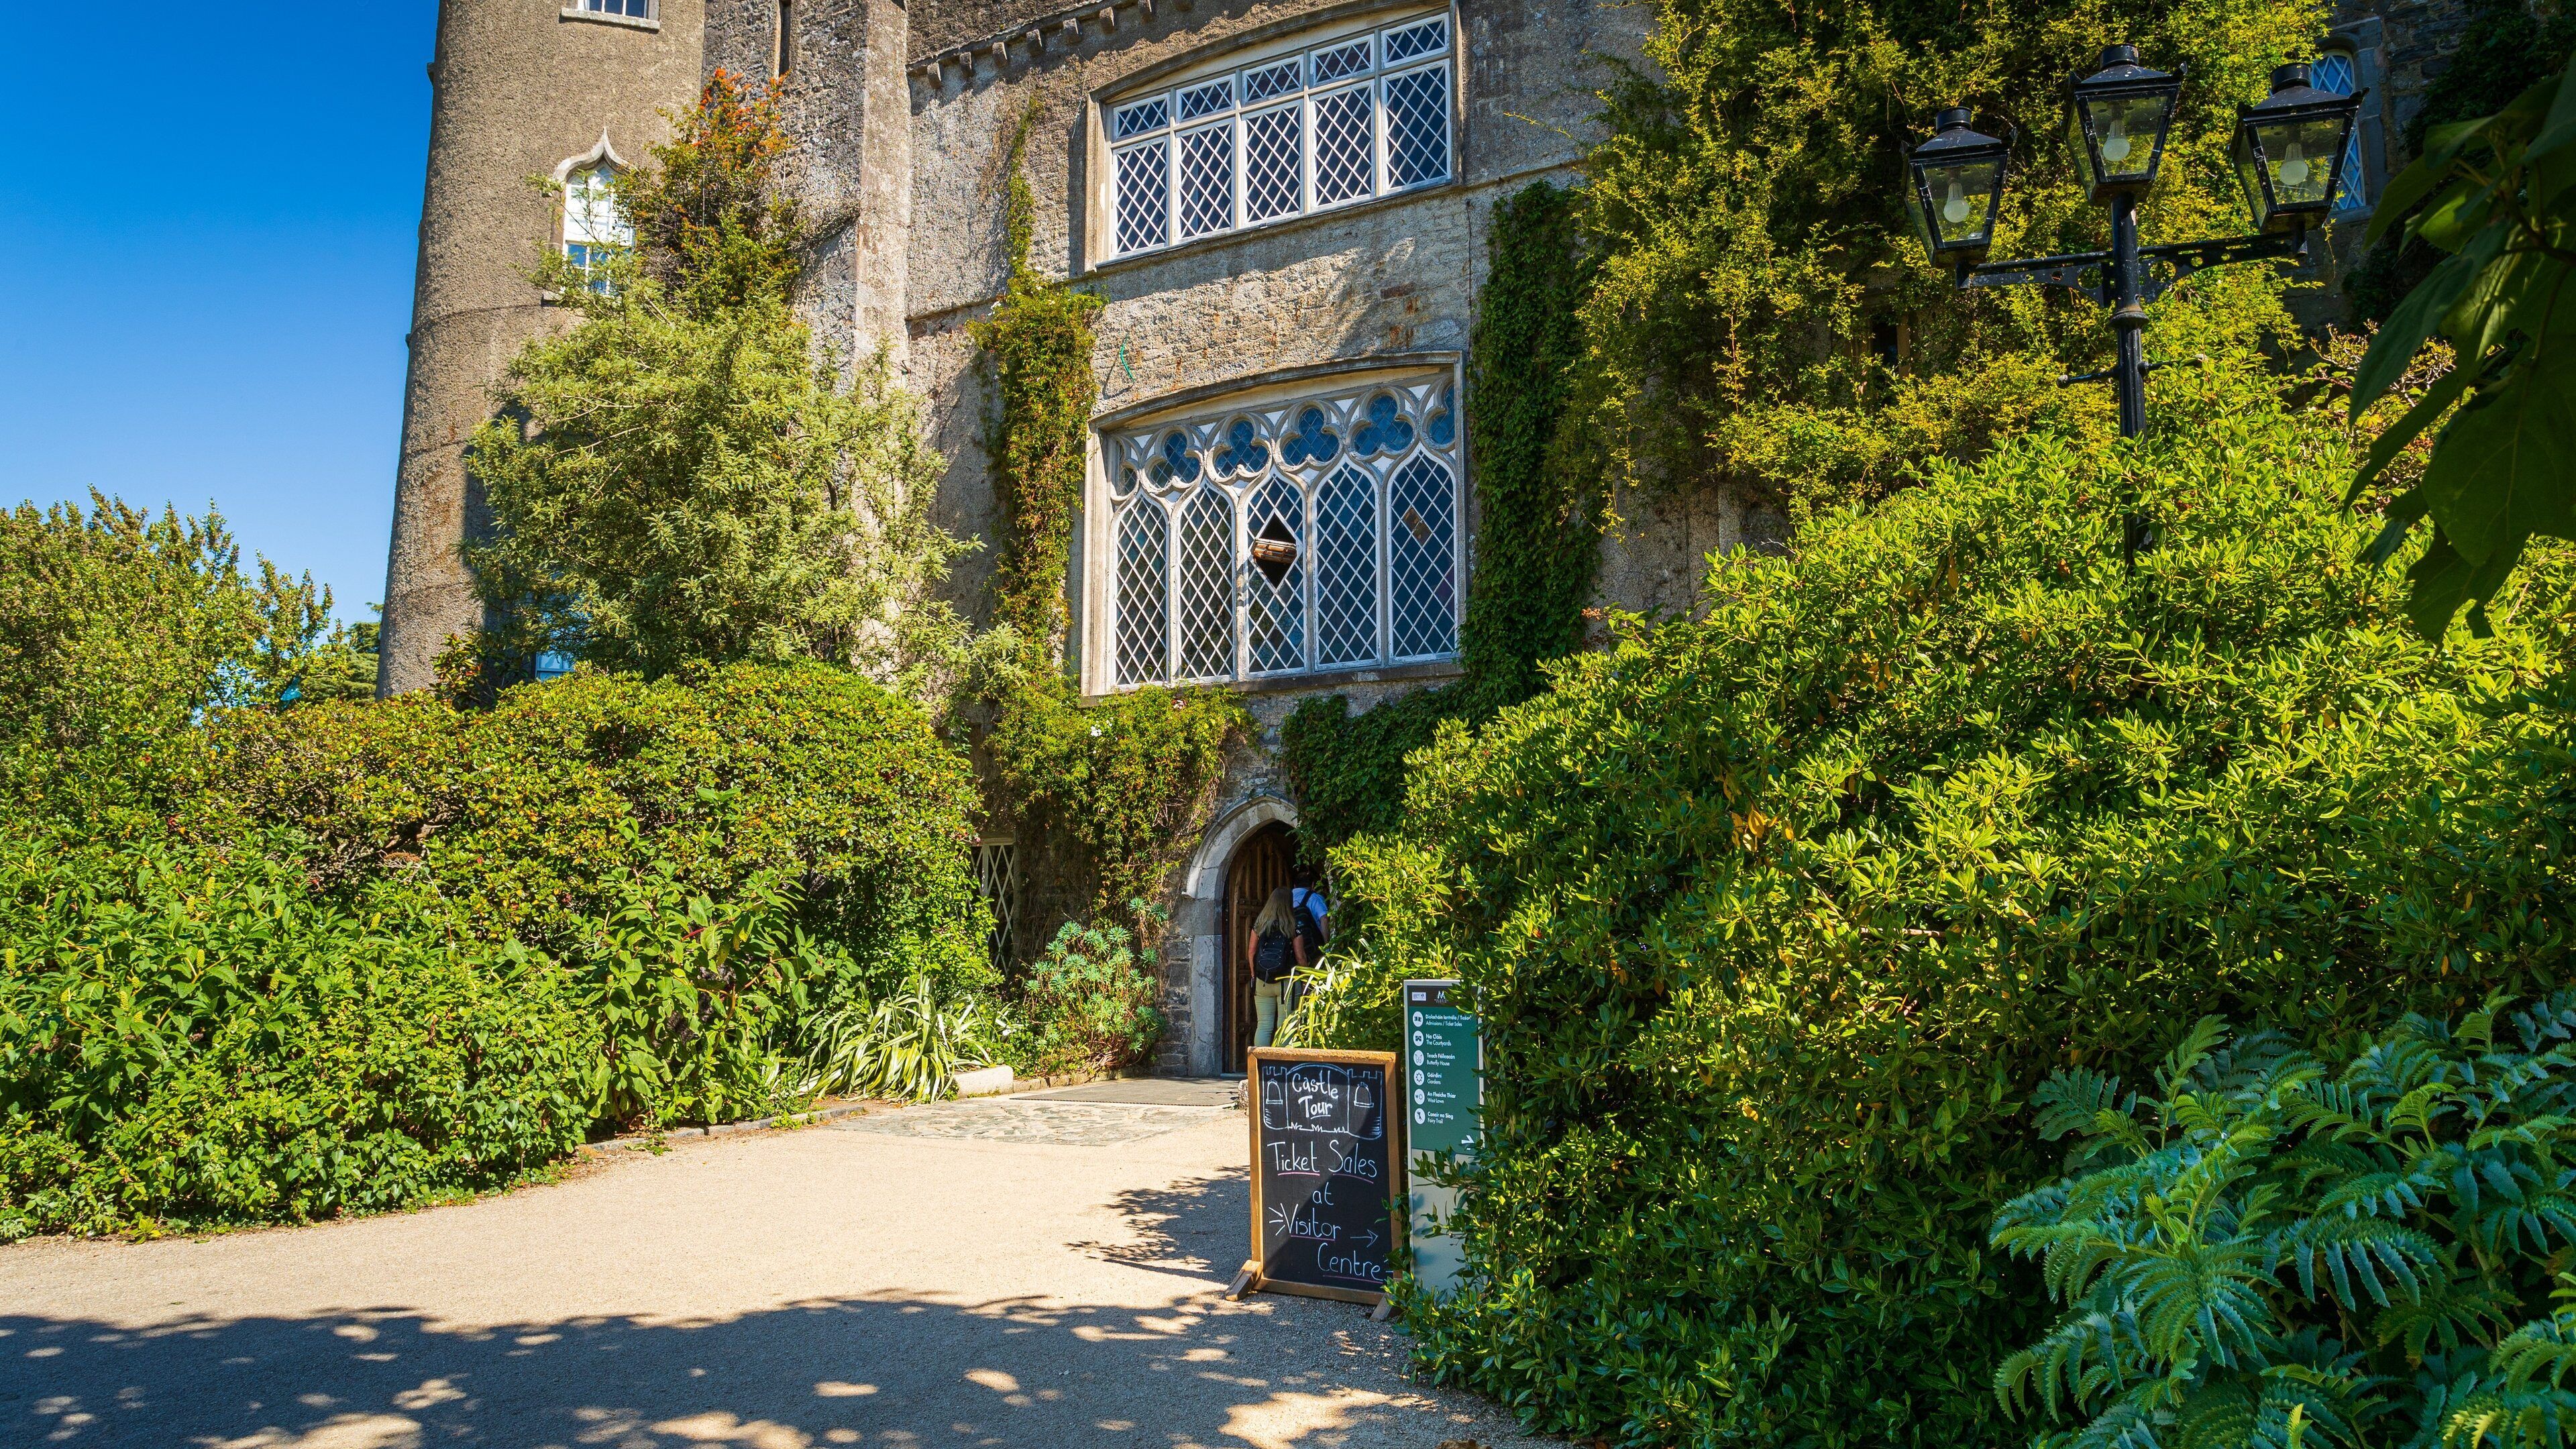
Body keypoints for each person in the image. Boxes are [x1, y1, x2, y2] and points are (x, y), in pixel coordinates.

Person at [1248, 885, 1307, 1050]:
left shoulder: (1260, 925)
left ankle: (1260, 1067)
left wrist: (1255, 974)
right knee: (1285, 1025)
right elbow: (1300, 957)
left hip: (1263, 981)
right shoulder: (1293, 925)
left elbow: (1251, 952)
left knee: (1264, 1025)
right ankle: (1281, 1068)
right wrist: (1305, 981)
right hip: (1287, 982)